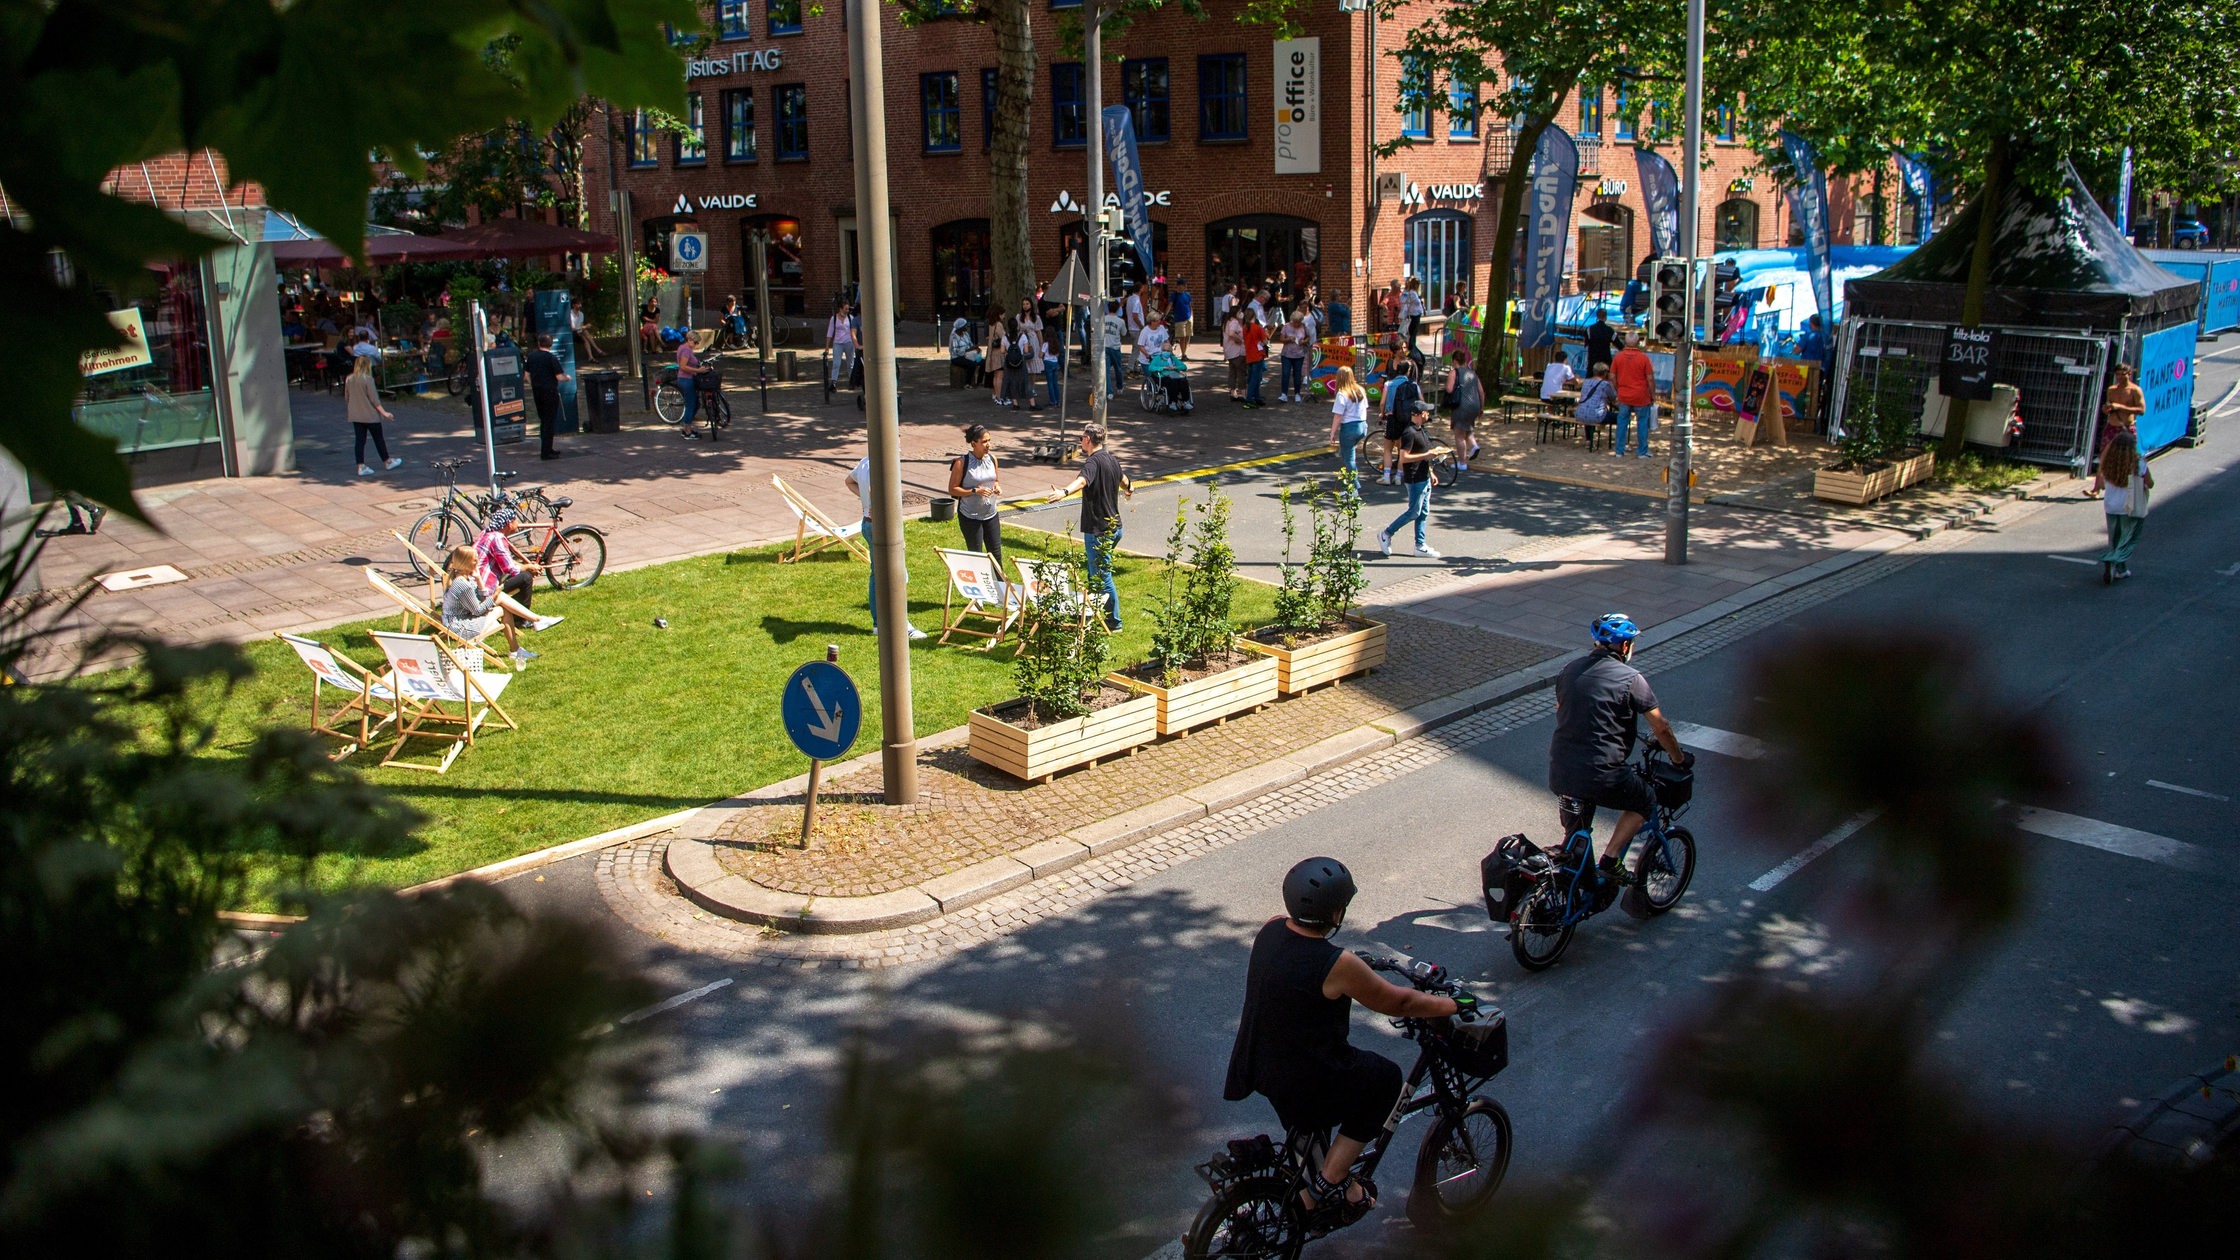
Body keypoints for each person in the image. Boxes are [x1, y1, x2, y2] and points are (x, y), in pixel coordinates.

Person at [1225, 857, 1470, 1224]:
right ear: (1336, 912)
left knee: (1308, 1122)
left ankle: (1308, 1203)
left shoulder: (1270, 930)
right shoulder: (1337, 964)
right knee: (1384, 1077)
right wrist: (1452, 1004)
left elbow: (1297, 963)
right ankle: (1330, 1180)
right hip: (1305, 1077)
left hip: (1260, 1065)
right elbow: (1400, 1002)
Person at [1546, 614, 1692, 895]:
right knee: (1646, 799)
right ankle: (1611, 860)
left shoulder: (1569, 669)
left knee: (1577, 836)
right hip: (1603, 773)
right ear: (1624, 647)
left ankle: (1573, 891)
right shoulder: (1631, 679)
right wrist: (1678, 758)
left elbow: (1562, 709)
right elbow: (1660, 726)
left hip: (1561, 770)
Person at [1055, 424, 1131, 631]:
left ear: (1088, 439)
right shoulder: (1111, 459)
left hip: (1099, 529)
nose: (1080, 441)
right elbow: (1124, 480)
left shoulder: (1093, 462)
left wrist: (1063, 492)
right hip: (1115, 528)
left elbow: (1081, 481)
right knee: (1094, 573)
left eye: (1081, 438)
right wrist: (1129, 489)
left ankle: (1114, 622)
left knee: (1102, 575)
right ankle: (1092, 613)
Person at [846, 455, 929, 640]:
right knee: (898, 575)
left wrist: (866, 502)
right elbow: (874, 490)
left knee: (877, 574)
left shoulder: (865, 461)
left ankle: (879, 624)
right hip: (880, 527)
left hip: (868, 523)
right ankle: (900, 624)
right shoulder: (882, 464)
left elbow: (849, 481)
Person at [441, 544, 551, 659]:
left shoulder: (464, 578)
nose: (478, 562)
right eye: (475, 560)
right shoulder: (462, 584)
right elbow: (478, 610)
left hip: (460, 621)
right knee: (500, 606)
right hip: (461, 627)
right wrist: (494, 596)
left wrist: (479, 580)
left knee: (502, 605)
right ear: (467, 562)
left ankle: (518, 646)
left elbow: (481, 600)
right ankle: (533, 626)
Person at [1376, 380, 1440, 559]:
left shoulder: (1422, 430)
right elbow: (1404, 458)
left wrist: (1431, 471)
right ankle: (1387, 533)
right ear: (1419, 414)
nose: (1428, 414)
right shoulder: (1409, 433)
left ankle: (1420, 545)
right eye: (1426, 411)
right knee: (1414, 511)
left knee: (1423, 512)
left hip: (1424, 476)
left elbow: (1425, 452)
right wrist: (1427, 457)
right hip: (1414, 478)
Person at [2095, 426, 2152, 583]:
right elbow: (2150, 483)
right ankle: (2115, 562)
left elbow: (2100, 484)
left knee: (2114, 538)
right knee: (2127, 538)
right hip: (2130, 506)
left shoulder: (2107, 464)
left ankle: (2119, 567)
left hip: (2111, 505)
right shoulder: (2139, 464)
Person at [948, 424, 1005, 571]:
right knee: (976, 556)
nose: (988, 445)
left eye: (989, 440)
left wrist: (997, 487)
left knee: (996, 555)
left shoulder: (992, 459)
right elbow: (952, 489)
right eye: (984, 442)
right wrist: (975, 491)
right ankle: (978, 591)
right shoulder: (961, 463)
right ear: (974, 443)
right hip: (970, 516)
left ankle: (1001, 590)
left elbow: (995, 480)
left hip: (991, 513)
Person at [2089, 363, 2146, 498]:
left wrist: (2120, 407)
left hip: (2126, 428)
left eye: (2123, 374)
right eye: (2118, 374)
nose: (2120, 377)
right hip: (2112, 427)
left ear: (2129, 374)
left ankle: (2131, 487)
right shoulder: (2112, 390)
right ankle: (2096, 488)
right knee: (2104, 457)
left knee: (2128, 459)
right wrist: (2107, 408)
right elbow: (2109, 406)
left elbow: (2142, 410)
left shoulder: (2135, 390)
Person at [343, 355, 403, 477]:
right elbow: (374, 400)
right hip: (370, 415)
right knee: (378, 438)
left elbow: (347, 397)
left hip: (356, 415)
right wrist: (384, 413)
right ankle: (387, 461)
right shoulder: (368, 379)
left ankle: (360, 466)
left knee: (360, 441)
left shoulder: (349, 379)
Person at [524, 333, 571, 461]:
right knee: (549, 422)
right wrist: (568, 378)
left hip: (537, 392)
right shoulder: (551, 358)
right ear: (550, 344)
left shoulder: (532, 357)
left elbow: (526, 375)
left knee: (543, 420)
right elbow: (559, 377)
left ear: (539, 343)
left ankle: (548, 448)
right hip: (550, 392)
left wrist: (533, 384)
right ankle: (546, 452)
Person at [1610, 333, 1657, 457]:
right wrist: (1653, 394)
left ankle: (1619, 451)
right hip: (1641, 396)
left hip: (1624, 395)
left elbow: (1612, 376)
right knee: (1642, 423)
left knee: (1622, 423)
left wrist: (1618, 388)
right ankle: (1642, 451)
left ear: (1625, 342)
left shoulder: (1618, 357)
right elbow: (1650, 379)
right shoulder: (1644, 358)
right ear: (1637, 342)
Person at [1378, 359, 1420, 486]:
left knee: (1387, 449)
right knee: (1403, 449)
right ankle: (1398, 477)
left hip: (1392, 418)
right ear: (1408, 371)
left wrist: (1382, 413)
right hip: (1407, 419)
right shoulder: (1414, 385)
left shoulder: (1389, 384)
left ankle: (1386, 476)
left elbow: (1382, 403)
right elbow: (1420, 401)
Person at [1327, 366, 1370, 483]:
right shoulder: (1360, 390)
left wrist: (1332, 433)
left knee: (1349, 459)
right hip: (1362, 426)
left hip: (1349, 428)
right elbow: (1365, 408)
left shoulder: (1342, 394)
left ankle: (1353, 487)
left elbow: (1338, 415)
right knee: (1348, 452)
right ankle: (1350, 483)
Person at [676, 327, 717, 439]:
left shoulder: (683, 348)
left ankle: (686, 425)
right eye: (695, 342)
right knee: (691, 405)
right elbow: (683, 366)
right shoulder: (686, 350)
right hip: (686, 380)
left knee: (696, 404)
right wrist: (698, 370)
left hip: (685, 379)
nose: (696, 345)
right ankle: (687, 431)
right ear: (689, 339)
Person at [1445, 351, 1483, 468]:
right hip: (1474, 405)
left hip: (1461, 405)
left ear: (1454, 361)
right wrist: (1481, 407)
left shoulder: (1454, 373)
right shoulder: (1473, 373)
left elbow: (1450, 389)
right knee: (1468, 428)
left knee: (1459, 434)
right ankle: (1474, 445)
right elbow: (1481, 392)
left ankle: (1462, 463)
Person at [1574, 361, 1618, 440]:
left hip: (1580, 413)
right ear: (1605, 373)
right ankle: (1620, 441)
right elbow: (1613, 397)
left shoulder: (1586, 382)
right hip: (1597, 415)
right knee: (1621, 417)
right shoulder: (1605, 384)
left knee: (1589, 410)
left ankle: (1588, 440)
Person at [1278, 307, 1312, 403]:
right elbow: (1281, 339)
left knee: (1297, 375)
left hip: (1299, 354)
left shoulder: (1304, 327)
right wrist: (1288, 339)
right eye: (1295, 322)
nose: (1297, 324)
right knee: (1285, 374)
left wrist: (1304, 341)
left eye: (1299, 322)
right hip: (1287, 354)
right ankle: (1284, 394)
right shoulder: (1286, 326)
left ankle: (1297, 393)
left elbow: (1308, 337)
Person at [826, 299, 858, 388]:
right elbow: (830, 332)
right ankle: (834, 382)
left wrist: (855, 343)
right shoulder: (834, 318)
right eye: (845, 309)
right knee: (836, 363)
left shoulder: (850, 318)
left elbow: (854, 331)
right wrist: (827, 346)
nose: (847, 311)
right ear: (840, 309)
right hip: (838, 343)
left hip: (849, 342)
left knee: (850, 363)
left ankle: (852, 381)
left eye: (848, 309)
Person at [1100, 299, 1127, 404]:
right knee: (1118, 369)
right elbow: (1124, 333)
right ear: (1118, 308)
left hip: (1105, 346)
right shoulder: (1120, 321)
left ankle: (1109, 392)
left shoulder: (1103, 319)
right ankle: (1119, 387)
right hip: (1115, 347)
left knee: (1106, 371)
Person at [1241, 311, 1270, 407]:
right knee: (1255, 379)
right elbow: (1265, 341)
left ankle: (1257, 397)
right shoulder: (1258, 328)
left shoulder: (1245, 328)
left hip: (1249, 355)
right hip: (1257, 355)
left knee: (1253, 377)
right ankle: (1249, 399)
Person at [1221, 308, 1249, 401]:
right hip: (1237, 351)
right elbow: (1232, 333)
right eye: (1239, 311)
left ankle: (1233, 392)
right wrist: (1240, 340)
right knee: (1241, 372)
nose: (1241, 313)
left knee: (1232, 372)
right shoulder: (1234, 322)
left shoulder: (1227, 322)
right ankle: (1243, 393)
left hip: (1230, 351)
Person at [949, 316, 985, 385]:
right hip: (957, 357)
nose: (967, 327)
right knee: (972, 364)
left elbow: (970, 344)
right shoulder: (954, 337)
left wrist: (976, 348)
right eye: (965, 325)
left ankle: (979, 381)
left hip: (968, 355)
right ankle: (967, 383)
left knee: (983, 362)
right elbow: (956, 351)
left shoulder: (966, 334)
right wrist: (969, 349)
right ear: (961, 327)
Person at [1398, 277, 1425, 354]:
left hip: (1416, 314)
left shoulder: (1414, 292)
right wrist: (1420, 300)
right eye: (1417, 284)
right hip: (1414, 315)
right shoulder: (1412, 292)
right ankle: (1411, 348)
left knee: (1413, 333)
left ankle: (1412, 347)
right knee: (1412, 333)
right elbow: (1416, 301)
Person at [1168, 277, 1194, 360]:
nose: (1185, 287)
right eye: (1184, 285)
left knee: (1187, 336)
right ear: (1179, 286)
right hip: (1179, 319)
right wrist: (1165, 314)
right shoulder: (1174, 295)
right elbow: (1170, 305)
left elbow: (1190, 306)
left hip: (1188, 317)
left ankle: (1184, 353)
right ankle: (1183, 354)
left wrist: (1192, 316)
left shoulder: (1187, 295)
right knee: (1182, 337)